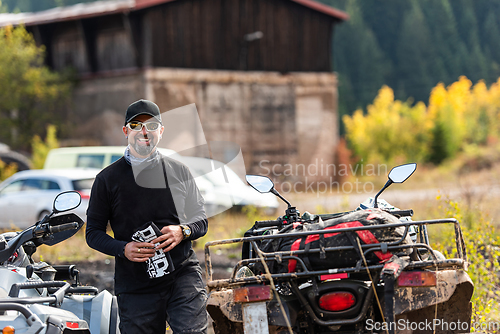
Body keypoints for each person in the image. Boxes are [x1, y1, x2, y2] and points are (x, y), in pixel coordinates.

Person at [85, 99, 208, 334]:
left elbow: (201, 220)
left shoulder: (179, 171)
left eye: (151, 126)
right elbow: (93, 234)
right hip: (136, 286)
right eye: (136, 125)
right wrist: (123, 248)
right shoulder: (107, 180)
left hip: (181, 277)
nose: (144, 131)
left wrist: (183, 231)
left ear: (161, 131)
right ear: (125, 131)